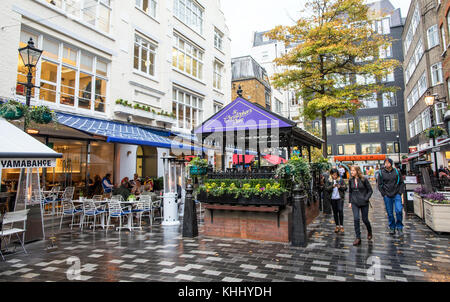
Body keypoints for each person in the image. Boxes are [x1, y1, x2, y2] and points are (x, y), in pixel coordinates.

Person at [376, 158, 405, 236]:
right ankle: (392, 227)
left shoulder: (396, 172)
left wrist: (400, 192)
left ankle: (399, 226)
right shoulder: (381, 173)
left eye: (388, 163)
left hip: (396, 194)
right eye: (385, 163)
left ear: (391, 164)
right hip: (387, 195)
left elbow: (402, 183)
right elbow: (379, 184)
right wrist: (384, 194)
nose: (387, 164)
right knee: (390, 213)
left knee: (399, 210)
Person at [348, 165, 373, 246]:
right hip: (355, 202)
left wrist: (366, 198)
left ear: (357, 171)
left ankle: (369, 231)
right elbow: (350, 192)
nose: (351, 172)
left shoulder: (364, 179)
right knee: (356, 218)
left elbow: (370, 190)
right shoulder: (350, 180)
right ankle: (358, 237)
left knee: (365, 219)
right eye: (351, 170)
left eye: (353, 170)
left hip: (364, 202)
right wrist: (350, 202)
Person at [324, 168, 347, 233]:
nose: (335, 176)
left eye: (336, 175)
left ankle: (341, 226)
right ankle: (337, 226)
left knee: (340, 210)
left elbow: (345, 188)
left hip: (340, 198)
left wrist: (340, 187)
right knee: (335, 212)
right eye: (333, 175)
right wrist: (332, 186)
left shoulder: (340, 180)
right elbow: (326, 189)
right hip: (332, 199)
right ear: (331, 175)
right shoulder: (329, 180)